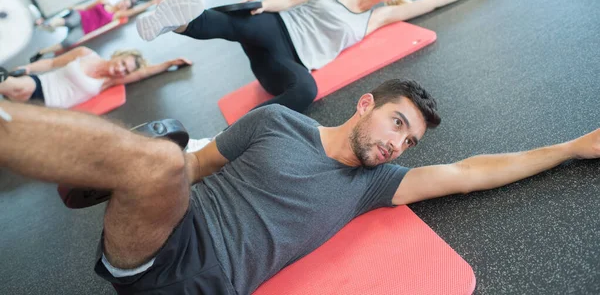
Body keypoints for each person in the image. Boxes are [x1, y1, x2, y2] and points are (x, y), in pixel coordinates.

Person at [0, 79, 597, 294]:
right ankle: (121, 172)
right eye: (396, 123)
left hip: (214, 284)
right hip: (170, 231)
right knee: (161, 158)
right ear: (365, 105)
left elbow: (470, 172)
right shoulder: (277, 121)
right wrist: (142, 178)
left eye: (409, 142)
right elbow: (200, 166)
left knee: (153, 159)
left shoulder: (375, 184)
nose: (397, 144)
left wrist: (573, 147)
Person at [136, 0, 513, 114]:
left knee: (306, 92)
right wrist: (264, 3)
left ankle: (248, 125)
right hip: (279, 26)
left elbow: (433, 1)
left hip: (288, 64)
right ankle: (178, 22)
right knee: (244, 17)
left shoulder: (380, 17)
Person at [0, 46, 191, 109]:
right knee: (20, 88)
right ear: (118, 55)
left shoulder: (109, 81)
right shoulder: (85, 53)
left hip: (48, 106)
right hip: (39, 84)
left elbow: (144, 73)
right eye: (123, 63)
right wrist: (27, 67)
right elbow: (51, 63)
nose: (121, 70)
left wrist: (169, 63)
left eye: (126, 71)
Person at [31, 0, 161, 62]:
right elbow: (87, 7)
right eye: (123, 2)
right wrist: (75, 7)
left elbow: (135, 11)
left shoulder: (117, 15)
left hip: (86, 29)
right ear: (121, 0)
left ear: (125, 9)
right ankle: (49, 25)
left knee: (69, 42)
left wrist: (150, 3)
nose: (122, 5)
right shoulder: (104, 0)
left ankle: (41, 52)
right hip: (81, 16)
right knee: (69, 21)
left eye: (125, 6)